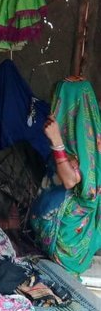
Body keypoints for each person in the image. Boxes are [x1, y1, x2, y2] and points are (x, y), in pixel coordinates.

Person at [30, 78, 101, 276]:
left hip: (67, 237)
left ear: (73, 105)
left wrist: (56, 141)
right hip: (52, 233)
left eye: (58, 101)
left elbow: (71, 181)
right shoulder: (74, 139)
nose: (55, 108)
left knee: (65, 284)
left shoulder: (84, 145)